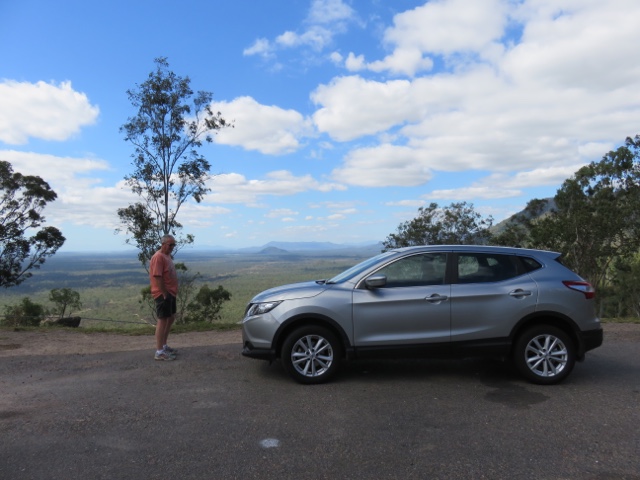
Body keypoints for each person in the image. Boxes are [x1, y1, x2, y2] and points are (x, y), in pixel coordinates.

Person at [149, 235, 179, 361]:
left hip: (170, 293)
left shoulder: (167, 256)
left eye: (173, 245)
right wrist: (164, 293)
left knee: (170, 318)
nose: (172, 247)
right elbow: (157, 276)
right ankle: (159, 351)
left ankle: (164, 346)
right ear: (163, 244)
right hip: (163, 294)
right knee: (162, 320)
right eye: (170, 245)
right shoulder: (158, 257)